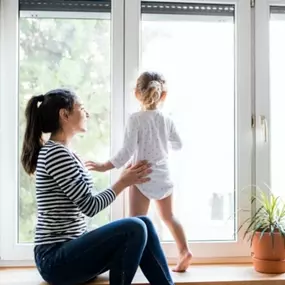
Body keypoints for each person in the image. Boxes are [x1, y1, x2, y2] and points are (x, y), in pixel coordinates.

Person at [21, 88, 174, 285]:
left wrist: (125, 179)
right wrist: (123, 182)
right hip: (55, 260)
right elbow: (90, 206)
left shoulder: (65, 153)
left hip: (70, 253)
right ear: (64, 114)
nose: (87, 113)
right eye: (81, 108)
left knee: (143, 222)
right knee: (134, 227)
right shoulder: (55, 154)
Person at [85, 71, 192, 272]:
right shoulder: (166, 120)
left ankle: (136, 263)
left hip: (141, 175)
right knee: (169, 217)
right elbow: (178, 145)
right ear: (163, 95)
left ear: (136, 93)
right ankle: (185, 251)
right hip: (163, 175)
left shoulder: (135, 119)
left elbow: (126, 152)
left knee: (135, 224)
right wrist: (161, 144)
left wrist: (103, 166)